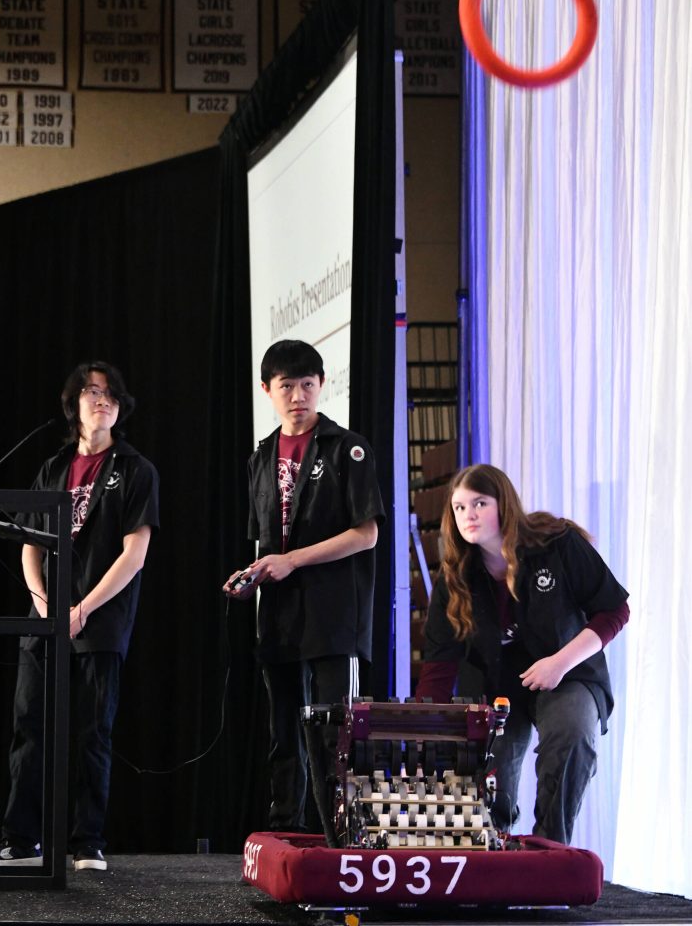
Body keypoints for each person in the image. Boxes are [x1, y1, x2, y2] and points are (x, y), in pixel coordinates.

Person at [0, 361, 159, 872]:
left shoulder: (135, 468)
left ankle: (86, 841)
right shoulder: (53, 467)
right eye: (92, 392)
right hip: (44, 617)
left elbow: (134, 554)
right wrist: (45, 604)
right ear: (73, 403)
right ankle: (20, 839)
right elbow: (30, 543)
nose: (102, 400)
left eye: (111, 394)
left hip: (101, 619)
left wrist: (82, 608)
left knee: (93, 730)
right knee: (29, 725)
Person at [415, 463, 629, 846]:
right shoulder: (456, 578)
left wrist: (559, 662)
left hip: (567, 672)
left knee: (571, 733)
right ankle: (495, 853)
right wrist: (422, 730)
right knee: (490, 777)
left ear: (504, 504)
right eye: (459, 507)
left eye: (479, 503)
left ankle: (551, 848)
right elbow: (439, 664)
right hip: (498, 689)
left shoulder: (558, 543)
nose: (469, 515)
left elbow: (614, 610)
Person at [223, 339, 385, 833]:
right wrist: (252, 577)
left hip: (334, 617)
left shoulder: (347, 448)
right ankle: (283, 836)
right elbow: (266, 542)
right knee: (283, 735)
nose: (298, 395)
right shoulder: (261, 457)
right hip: (279, 616)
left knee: (332, 732)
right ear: (267, 390)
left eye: (308, 384)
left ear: (322, 385)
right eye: (287, 386)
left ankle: (339, 841)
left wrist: (292, 560)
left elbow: (367, 533)